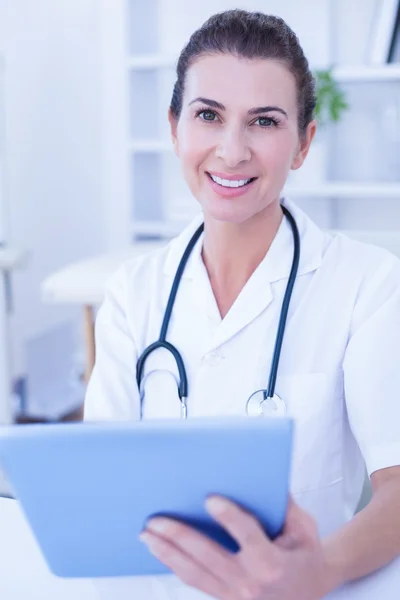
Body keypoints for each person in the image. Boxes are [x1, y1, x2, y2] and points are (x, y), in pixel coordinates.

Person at [84, 9, 400, 600]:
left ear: (303, 143)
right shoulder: (133, 292)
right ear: (175, 127)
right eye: (208, 116)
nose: (231, 151)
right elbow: (101, 480)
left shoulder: (369, 284)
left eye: (264, 122)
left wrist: (320, 570)